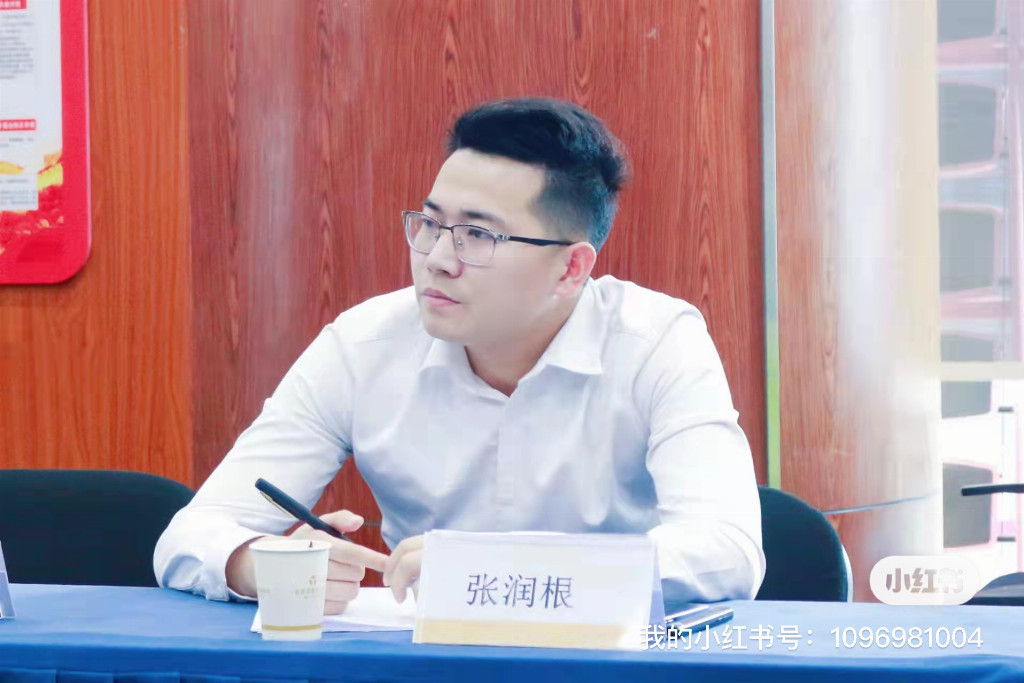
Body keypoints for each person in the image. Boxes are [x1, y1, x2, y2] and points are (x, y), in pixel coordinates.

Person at [154, 97, 765, 613]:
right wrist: (259, 564)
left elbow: (727, 554)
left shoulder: (655, 342)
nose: (437, 259)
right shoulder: (363, 346)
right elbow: (190, 535)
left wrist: (498, 569)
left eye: (478, 235)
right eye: (429, 224)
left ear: (571, 268)